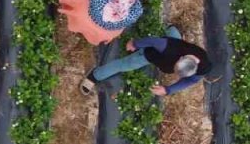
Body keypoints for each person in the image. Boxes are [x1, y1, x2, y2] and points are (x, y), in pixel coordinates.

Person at [80, 26, 212, 96]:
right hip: (151, 54)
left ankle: (172, 29)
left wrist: (168, 90)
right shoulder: (167, 47)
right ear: (182, 58)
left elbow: (189, 81)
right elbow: (152, 41)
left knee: (173, 36)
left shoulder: (202, 69)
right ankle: (94, 76)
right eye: (176, 65)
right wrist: (135, 44)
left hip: (174, 47)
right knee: (124, 65)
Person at [57, 0, 143, 45]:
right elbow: (139, 9)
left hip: (90, 18)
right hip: (107, 32)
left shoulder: (100, 0)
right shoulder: (131, 16)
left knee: (85, 2)